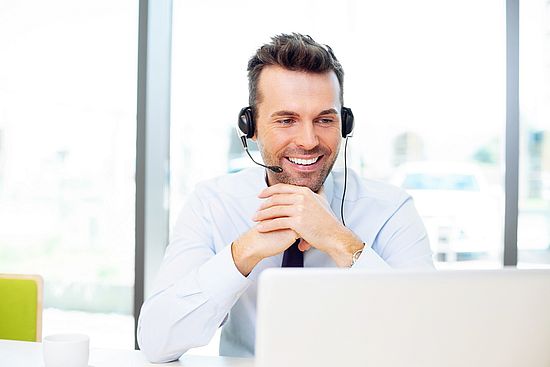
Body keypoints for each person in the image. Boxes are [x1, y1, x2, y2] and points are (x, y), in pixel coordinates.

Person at [137, 33, 433, 362]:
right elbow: (156, 341)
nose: (308, 141)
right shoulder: (213, 203)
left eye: (324, 119)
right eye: (286, 120)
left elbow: (429, 340)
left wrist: (341, 242)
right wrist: (243, 253)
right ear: (250, 126)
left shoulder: (391, 209)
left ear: (344, 124)